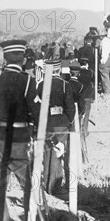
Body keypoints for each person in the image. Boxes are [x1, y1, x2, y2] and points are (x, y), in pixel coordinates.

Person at [0, 39, 38, 221]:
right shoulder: (27, 81)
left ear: (5, 58)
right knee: (28, 186)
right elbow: (35, 112)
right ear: (23, 58)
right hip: (18, 139)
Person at [38, 59, 75, 195]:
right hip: (60, 123)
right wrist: (69, 122)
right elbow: (70, 108)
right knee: (58, 153)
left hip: (46, 123)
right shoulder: (65, 85)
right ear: (58, 70)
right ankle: (54, 187)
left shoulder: (41, 85)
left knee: (48, 152)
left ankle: (47, 183)